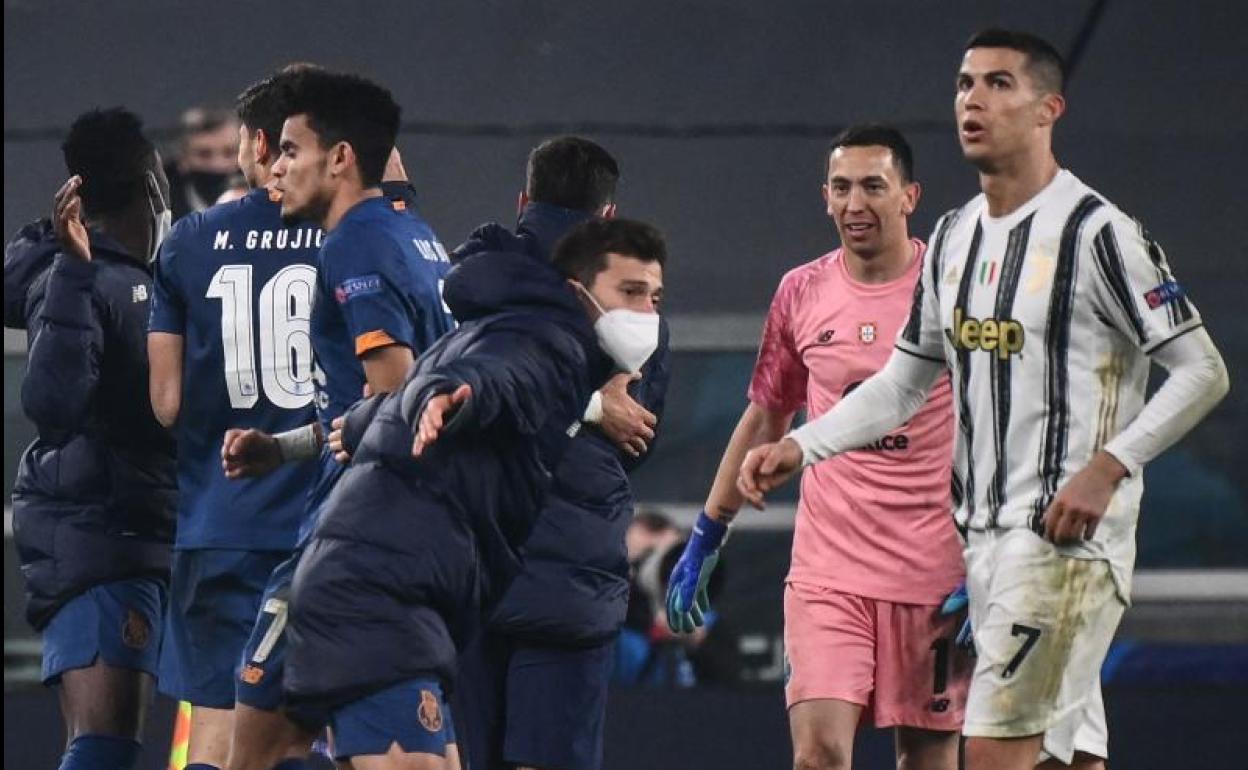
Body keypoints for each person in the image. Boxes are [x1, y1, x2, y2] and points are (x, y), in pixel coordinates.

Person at [738, 29, 1230, 770]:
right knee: (1067, 760)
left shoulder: (1097, 234)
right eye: (965, 84)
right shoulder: (956, 237)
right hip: (980, 548)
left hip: (1064, 544)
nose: (973, 100)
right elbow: (903, 382)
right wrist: (802, 445)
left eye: (999, 84)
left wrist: (1109, 467)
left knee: (995, 755)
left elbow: (1202, 370)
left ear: (1048, 109)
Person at [285, 217, 666, 770]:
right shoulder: (548, 343)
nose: (646, 314)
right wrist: (450, 395)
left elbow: (403, 401)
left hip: (392, 588)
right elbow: (496, 378)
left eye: (655, 297)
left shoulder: (481, 329)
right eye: (629, 293)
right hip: (384, 595)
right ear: (577, 288)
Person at [667, 125, 969, 770]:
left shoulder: (953, 289)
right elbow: (766, 417)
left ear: (909, 196)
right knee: (818, 755)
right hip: (830, 569)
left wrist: (991, 559)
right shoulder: (801, 291)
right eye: (841, 187)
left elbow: (999, 426)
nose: (855, 203)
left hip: (936, 574)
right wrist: (707, 533)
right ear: (825, 197)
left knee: (928, 761)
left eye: (873, 186)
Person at [218, 68, 456, 770]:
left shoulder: (355, 243)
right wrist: (285, 448)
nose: (277, 168)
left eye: (292, 150)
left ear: (342, 157)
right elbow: (367, 407)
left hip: (361, 547)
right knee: (263, 736)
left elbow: (399, 400)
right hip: (369, 536)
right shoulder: (414, 236)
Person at [448, 136, 671, 770]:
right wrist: (592, 408)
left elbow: (441, 398)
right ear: (608, 215)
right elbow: (637, 440)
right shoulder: (633, 306)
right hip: (572, 572)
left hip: (470, 563)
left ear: (523, 201)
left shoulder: (463, 289)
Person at [147, 70, 323, 770]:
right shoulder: (343, 236)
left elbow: (166, 405)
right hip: (321, 520)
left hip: (217, 523)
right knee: (315, 730)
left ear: (255, 144)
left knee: (216, 728)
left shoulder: (188, 240)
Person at [3, 108, 176, 770]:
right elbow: (52, 404)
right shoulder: (77, 278)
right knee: (104, 743)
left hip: (133, 533)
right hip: (99, 540)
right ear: (152, 186)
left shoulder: (141, 278)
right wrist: (73, 274)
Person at [166, 106, 241, 220]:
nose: (218, 165)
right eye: (204, 154)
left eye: (229, 153)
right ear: (183, 159)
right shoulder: (157, 211)